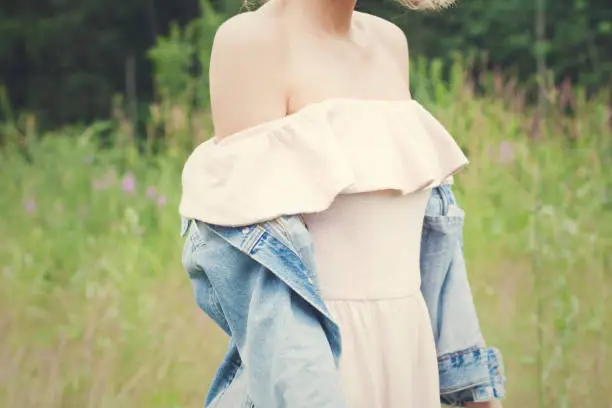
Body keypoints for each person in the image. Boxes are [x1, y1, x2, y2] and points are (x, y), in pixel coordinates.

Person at [179, 0, 505, 407]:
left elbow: (430, 243)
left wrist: (471, 386)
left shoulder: (390, 43)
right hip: (319, 373)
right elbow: (260, 278)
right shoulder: (252, 42)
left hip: (409, 361)